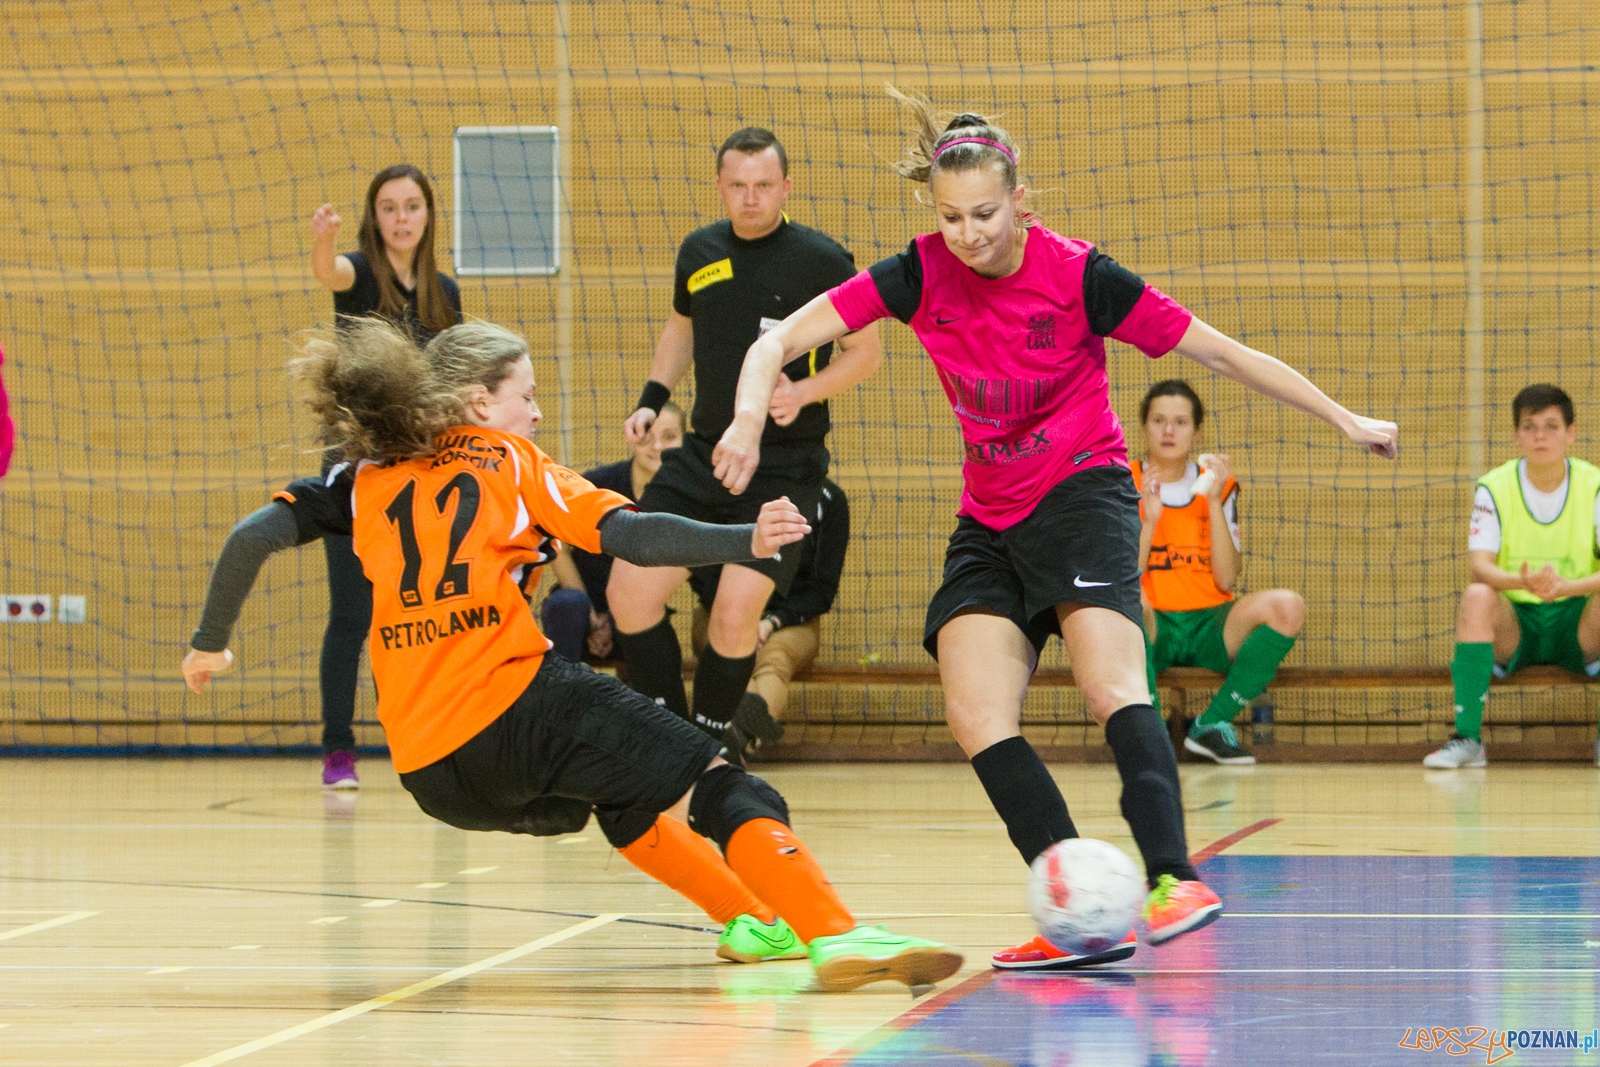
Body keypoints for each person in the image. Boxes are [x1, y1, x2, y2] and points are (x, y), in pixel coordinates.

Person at [713, 88, 1398, 971]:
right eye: (952, 215)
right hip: (989, 517)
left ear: (1021, 201)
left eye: (986, 214)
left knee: (1111, 683)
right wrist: (744, 420)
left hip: (1082, 494)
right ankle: (1075, 900)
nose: (969, 232)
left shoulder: (1080, 275)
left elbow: (1222, 352)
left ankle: (1173, 876)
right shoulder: (917, 273)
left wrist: (1344, 420)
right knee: (975, 714)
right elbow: (774, 343)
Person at [181, 318, 961, 990]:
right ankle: (835, 929)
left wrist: (211, 644)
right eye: (526, 393)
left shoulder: (364, 478)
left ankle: (752, 922)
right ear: (481, 403)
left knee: (626, 793)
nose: (537, 408)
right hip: (516, 705)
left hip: (430, 770)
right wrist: (742, 539)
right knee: (716, 776)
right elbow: (632, 536)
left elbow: (252, 536)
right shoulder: (511, 464)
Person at [607, 127, 882, 750]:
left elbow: (866, 354)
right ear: (720, 187)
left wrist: (803, 392)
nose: (750, 198)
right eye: (738, 186)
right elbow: (681, 331)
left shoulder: (823, 260)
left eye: (763, 186)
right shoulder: (699, 251)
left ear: (786, 186)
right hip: (704, 454)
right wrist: (652, 398)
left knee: (734, 617)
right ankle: (669, 738)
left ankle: (708, 748)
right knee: (629, 590)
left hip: (786, 467)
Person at [306, 164, 464, 790]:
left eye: (412, 207)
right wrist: (323, 239)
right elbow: (329, 273)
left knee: (422, 612)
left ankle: (429, 737)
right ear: (375, 218)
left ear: (427, 216)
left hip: (418, 472)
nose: (401, 218)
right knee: (351, 613)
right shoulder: (361, 273)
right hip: (357, 468)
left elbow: (450, 374)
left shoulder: (444, 292)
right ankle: (338, 750)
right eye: (389, 208)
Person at [1424, 384, 1600, 769]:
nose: (1540, 436)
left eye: (1552, 426)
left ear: (1571, 432)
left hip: (1578, 621)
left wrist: (1567, 587)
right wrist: (1523, 583)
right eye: (1530, 426)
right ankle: (1467, 738)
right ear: (1516, 434)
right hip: (1517, 624)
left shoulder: (1595, 484)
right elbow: (1481, 566)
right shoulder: (1494, 486)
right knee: (1476, 595)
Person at [1132, 380, 1305, 766]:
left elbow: (1227, 579)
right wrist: (1149, 519)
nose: (1169, 430)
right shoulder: (1125, 481)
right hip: (1152, 623)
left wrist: (1210, 502)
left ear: (1197, 430)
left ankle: (1211, 724)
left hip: (1211, 622)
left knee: (1287, 606)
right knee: (1129, 600)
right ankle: (1151, 732)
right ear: (1144, 427)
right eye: (1159, 420)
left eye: (1180, 421)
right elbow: (1125, 575)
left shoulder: (1220, 487)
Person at [690, 478, 850, 761]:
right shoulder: (723, 487)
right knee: (728, 645)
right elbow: (702, 572)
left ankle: (740, 743)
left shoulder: (830, 500)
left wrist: (771, 622)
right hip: (722, 610)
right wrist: (742, 616)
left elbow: (821, 590)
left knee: (774, 658)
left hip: (790, 622)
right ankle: (739, 728)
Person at [541, 402, 685, 664]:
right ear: (631, 435)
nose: (657, 446)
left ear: (684, 441)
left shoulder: (686, 497)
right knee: (567, 604)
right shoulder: (598, 484)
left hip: (637, 612)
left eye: (669, 437)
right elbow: (554, 538)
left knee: (653, 627)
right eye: (647, 435)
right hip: (582, 613)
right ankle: (562, 699)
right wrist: (592, 614)